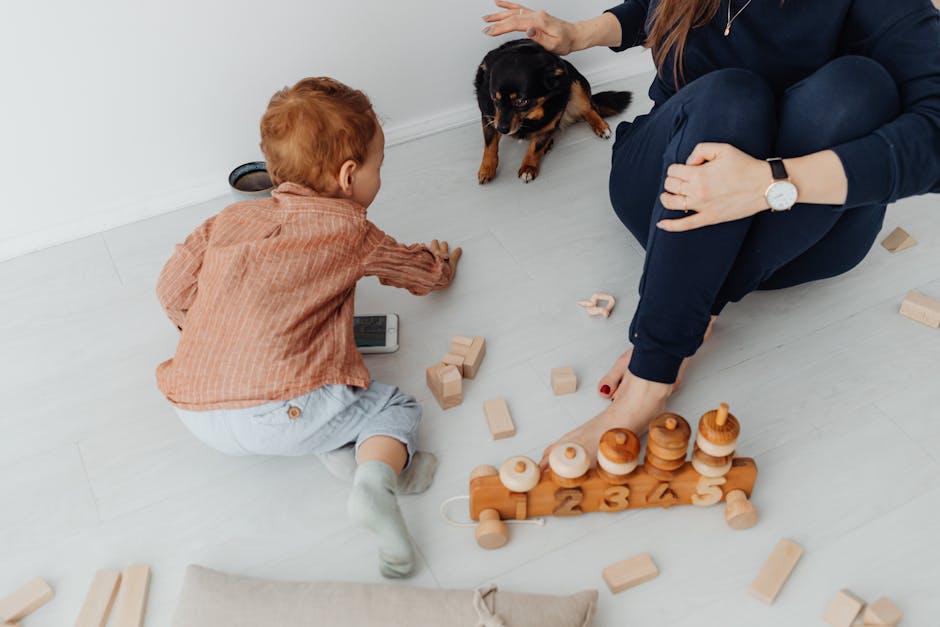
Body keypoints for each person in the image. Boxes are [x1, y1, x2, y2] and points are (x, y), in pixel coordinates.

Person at [481, 0, 940, 461]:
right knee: (731, 93)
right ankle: (650, 379)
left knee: (861, 86)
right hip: (670, 188)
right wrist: (577, 35)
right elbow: (654, 9)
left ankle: (695, 304)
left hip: (804, 234)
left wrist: (770, 183)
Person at [155, 77, 462, 578]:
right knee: (394, 406)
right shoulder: (352, 231)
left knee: (313, 409)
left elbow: (170, 291)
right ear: (348, 177)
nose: (379, 178)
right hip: (285, 411)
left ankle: (337, 447)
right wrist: (441, 266)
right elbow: (419, 275)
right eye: (377, 168)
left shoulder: (226, 221)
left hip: (195, 411)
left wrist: (214, 333)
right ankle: (375, 480)